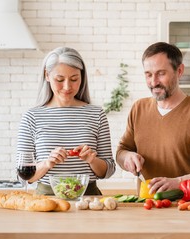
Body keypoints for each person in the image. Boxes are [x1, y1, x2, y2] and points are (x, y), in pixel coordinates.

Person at [116, 42, 190, 195]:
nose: (154, 82)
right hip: (147, 206)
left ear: (180, 71)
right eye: (148, 74)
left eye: (161, 73)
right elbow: (122, 151)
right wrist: (127, 157)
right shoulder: (139, 108)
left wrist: (180, 182)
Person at [17, 47, 116, 195]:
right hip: (46, 201)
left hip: (88, 200)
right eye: (60, 79)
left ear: (82, 77)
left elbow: (108, 171)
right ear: (47, 75)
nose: (67, 87)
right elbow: (23, 177)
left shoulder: (96, 114)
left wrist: (92, 159)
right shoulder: (32, 117)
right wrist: (47, 164)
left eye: (74, 79)